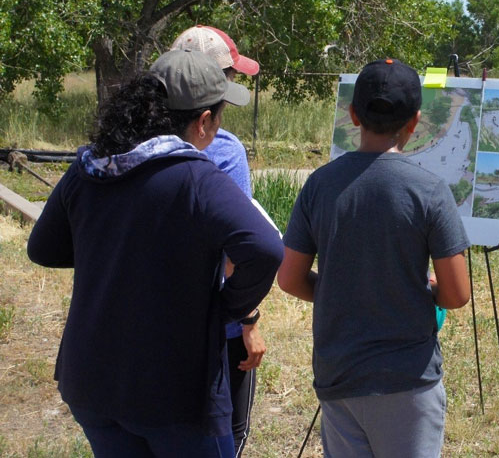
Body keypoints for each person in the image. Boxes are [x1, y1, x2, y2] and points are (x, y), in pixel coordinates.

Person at [27, 49, 283, 457]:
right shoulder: (195, 177)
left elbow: (42, 248)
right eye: (219, 117)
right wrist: (227, 308)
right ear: (203, 122)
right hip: (174, 391)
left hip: (92, 379)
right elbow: (266, 248)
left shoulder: (90, 166)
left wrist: (114, 255)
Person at [277, 58, 470, 458]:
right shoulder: (430, 191)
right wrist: (425, 292)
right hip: (408, 378)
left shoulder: (319, 185)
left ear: (352, 114)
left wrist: (340, 289)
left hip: (338, 375)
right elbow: (456, 294)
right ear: (414, 122)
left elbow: (290, 279)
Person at [172, 25, 263, 457]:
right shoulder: (224, 149)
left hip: (139, 327)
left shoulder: (120, 145)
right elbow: (239, 252)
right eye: (228, 77)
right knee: (228, 433)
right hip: (215, 326)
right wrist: (248, 322)